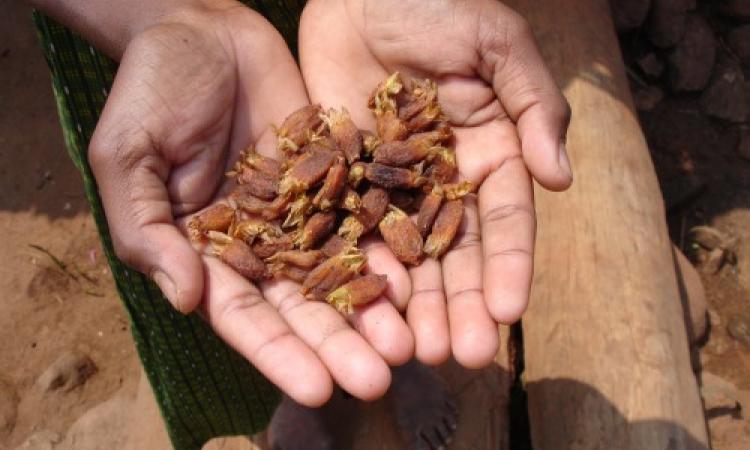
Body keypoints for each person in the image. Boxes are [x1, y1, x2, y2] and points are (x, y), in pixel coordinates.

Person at [28, 0, 572, 448]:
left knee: (394, 288)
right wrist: (156, 18)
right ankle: (290, 396)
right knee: (222, 291)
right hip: (150, 43)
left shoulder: (370, 160)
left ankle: (402, 363)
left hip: (351, 28)